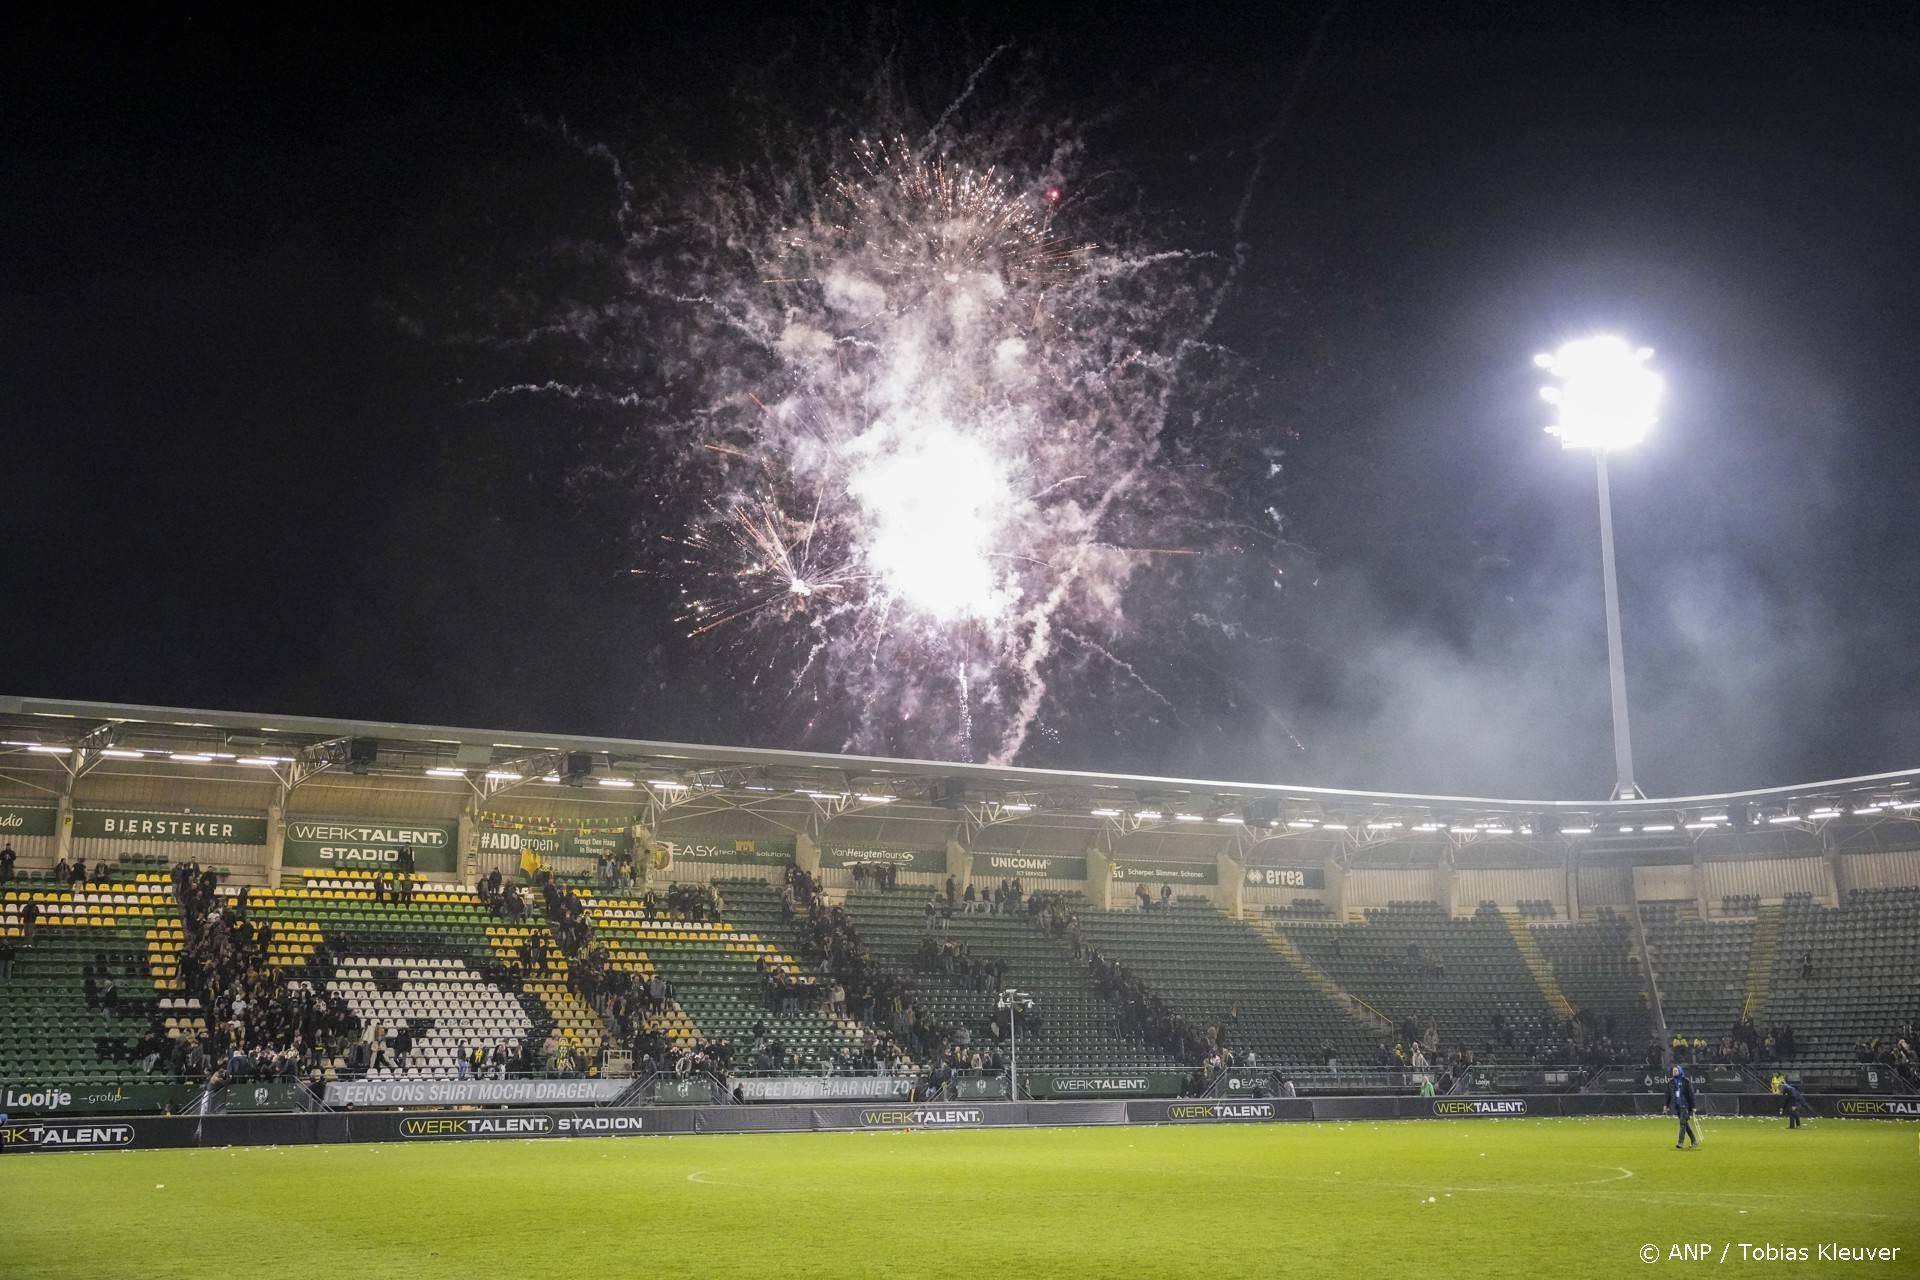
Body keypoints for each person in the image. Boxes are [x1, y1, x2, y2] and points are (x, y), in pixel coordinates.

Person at [1665, 1064, 1698, 1150]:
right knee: (1685, 1124)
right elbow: (1668, 1095)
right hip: (1676, 1105)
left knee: (1682, 1123)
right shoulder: (1670, 1082)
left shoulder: (1685, 1081)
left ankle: (1680, 1142)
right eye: (1673, 1071)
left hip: (1684, 1105)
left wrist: (1693, 1106)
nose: (1674, 1072)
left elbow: (1691, 1094)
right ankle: (1694, 1140)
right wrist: (1666, 1105)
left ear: (1680, 1071)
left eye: (1676, 1071)